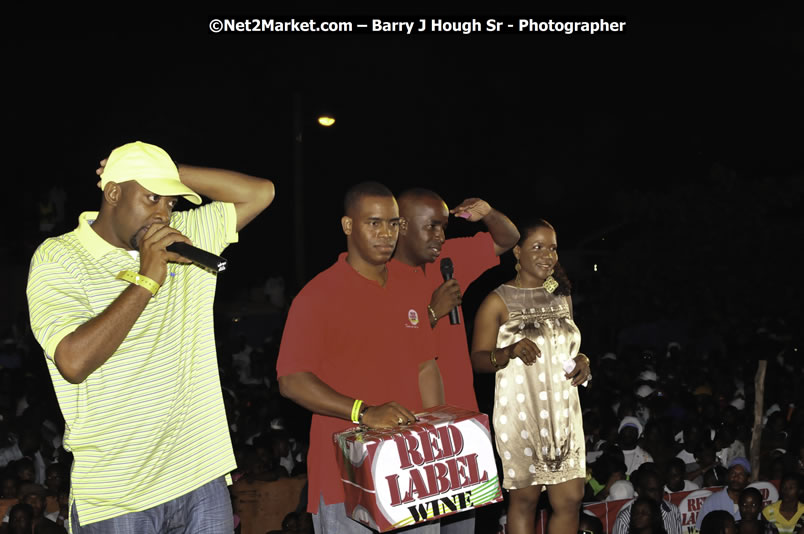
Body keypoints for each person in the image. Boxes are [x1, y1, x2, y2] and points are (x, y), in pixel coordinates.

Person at [26, 141, 275, 532]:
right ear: (113, 192)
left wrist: (167, 171)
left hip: (199, 476)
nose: (162, 213)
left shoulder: (185, 238)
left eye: (171, 203)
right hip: (119, 495)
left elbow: (260, 193)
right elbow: (72, 362)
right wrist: (147, 278)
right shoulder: (59, 258)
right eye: (151, 197)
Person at [277, 182, 443, 534]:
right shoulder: (317, 295)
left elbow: (426, 367)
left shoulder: (412, 286)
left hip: (411, 474)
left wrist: (437, 439)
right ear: (348, 226)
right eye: (374, 223)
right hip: (345, 478)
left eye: (394, 223)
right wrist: (364, 412)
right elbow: (291, 380)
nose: (386, 234)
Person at [390, 189, 519, 534]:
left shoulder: (447, 259)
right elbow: (383, 352)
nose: (440, 236)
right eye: (431, 226)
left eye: (444, 227)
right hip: (412, 431)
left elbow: (508, 238)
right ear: (401, 225)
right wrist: (432, 313)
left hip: (461, 425)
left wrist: (488, 212)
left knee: (463, 528)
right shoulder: (380, 276)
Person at [471, 218, 591, 534]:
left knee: (570, 499)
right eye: (537, 247)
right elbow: (478, 359)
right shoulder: (498, 300)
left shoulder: (559, 294)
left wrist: (583, 359)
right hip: (522, 415)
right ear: (517, 251)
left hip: (564, 414)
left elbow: (569, 345)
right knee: (524, 501)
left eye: (552, 248)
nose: (547, 255)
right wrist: (507, 351)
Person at [611, 468, 682, 534]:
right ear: (640, 491)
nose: (658, 494)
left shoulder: (673, 510)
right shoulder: (624, 518)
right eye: (652, 490)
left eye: (660, 489)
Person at [695, 458, 752, 531]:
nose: (736, 477)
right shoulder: (712, 501)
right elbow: (699, 529)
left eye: (741, 474)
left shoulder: (752, 502)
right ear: (728, 476)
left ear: (748, 479)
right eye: (733, 473)